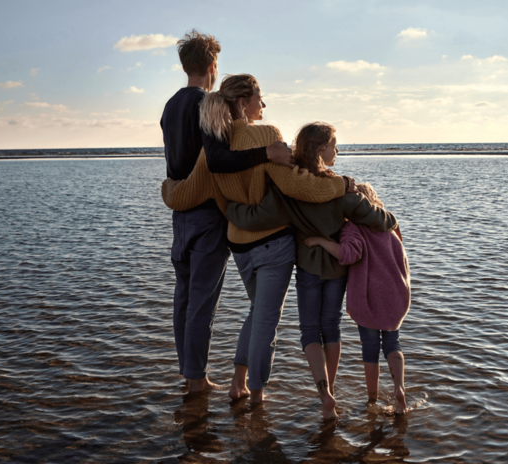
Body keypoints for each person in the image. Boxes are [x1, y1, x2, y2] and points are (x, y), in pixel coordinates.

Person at [162, 75, 356, 405]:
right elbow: (301, 187)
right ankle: (257, 396)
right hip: (273, 245)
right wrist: (344, 185)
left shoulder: (214, 149)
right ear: (242, 103)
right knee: (266, 322)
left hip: (239, 247)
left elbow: (187, 194)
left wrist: (167, 189)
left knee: (257, 312)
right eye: (259, 99)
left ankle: (238, 382)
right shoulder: (265, 136)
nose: (262, 106)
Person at [226, 123, 398, 419]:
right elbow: (377, 218)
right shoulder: (341, 189)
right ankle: (330, 390)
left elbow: (259, 217)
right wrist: (392, 220)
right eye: (334, 145)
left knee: (309, 332)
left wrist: (230, 208)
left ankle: (324, 393)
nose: (337, 150)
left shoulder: (289, 188)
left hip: (307, 267)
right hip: (337, 269)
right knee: (331, 327)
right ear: (321, 149)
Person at [160, 31, 294, 394]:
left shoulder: (170, 106)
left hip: (181, 215)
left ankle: (190, 374)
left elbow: (178, 163)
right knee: (201, 301)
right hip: (206, 215)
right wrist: (266, 154)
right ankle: (196, 380)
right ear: (212, 65)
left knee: (184, 298)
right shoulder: (207, 103)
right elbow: (218, 160)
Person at [305, 182, 411, 414]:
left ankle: (372, 400)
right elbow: (403, 260)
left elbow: (348, 254)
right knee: (393, 344)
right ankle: (399, 389)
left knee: (370, 349)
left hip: (369, 299)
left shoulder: (354, 227)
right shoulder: (389, 227)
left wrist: (321, 241)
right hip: (393, 296)